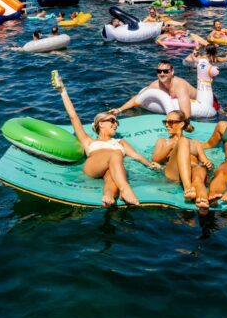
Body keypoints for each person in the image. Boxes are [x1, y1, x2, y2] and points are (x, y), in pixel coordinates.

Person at [53, 75, 160, 206]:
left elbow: (136, 156)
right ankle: (125, 189)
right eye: (112, 120)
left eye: (117, 122)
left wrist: (150, 164)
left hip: (114, 168)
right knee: (114, 154)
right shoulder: (89, 141)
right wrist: (63, 91)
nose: (115, 124)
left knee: (111, 176)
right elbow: (73, 117)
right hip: (93, 167)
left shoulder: (120, 142)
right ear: (100, 123)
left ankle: (108, 196)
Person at [152, 109, 213, 209]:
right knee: (183, 141)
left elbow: (205, 161)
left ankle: (203, 201)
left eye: (170, 122)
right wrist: (170, 145)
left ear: (181, 124)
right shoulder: (163, 141)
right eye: (165, 122)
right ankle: (188, 188)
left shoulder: (195, 142)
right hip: (175, 174)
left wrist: (208, 164)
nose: (167, 125)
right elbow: (155, 159)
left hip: (194, 171)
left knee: (198, 174)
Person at [112, 59, 201, 119]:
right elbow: (138, 98)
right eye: (159, 71)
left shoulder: (180, 86)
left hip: (206, 104)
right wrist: (120, 109)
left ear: (172, 72)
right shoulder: (156, 84)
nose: (162, 74)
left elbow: (187, 114)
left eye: (165, 71)